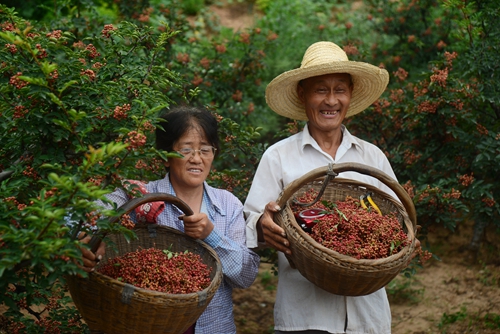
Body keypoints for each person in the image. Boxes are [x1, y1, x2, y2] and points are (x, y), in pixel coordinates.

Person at [243, 41, 420, 333]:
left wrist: (405, 244)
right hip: (305, 317)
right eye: (320, 90)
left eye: (340, 90)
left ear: (349, 96)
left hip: (368, 318)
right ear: (303, 95)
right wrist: (264, 226)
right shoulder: (278, 156)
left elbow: (399, 221)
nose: (331, 101)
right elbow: (250, 221)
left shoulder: (371, 157)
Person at [80, 105, 260, 334]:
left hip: (213, 327)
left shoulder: (227, 205)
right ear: (166, 156)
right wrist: (89, 238)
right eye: (186, 150)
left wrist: (212, 236)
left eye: (205, 150)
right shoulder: (141, 196)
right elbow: (88, 215)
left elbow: (245, 277)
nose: (197, 159)